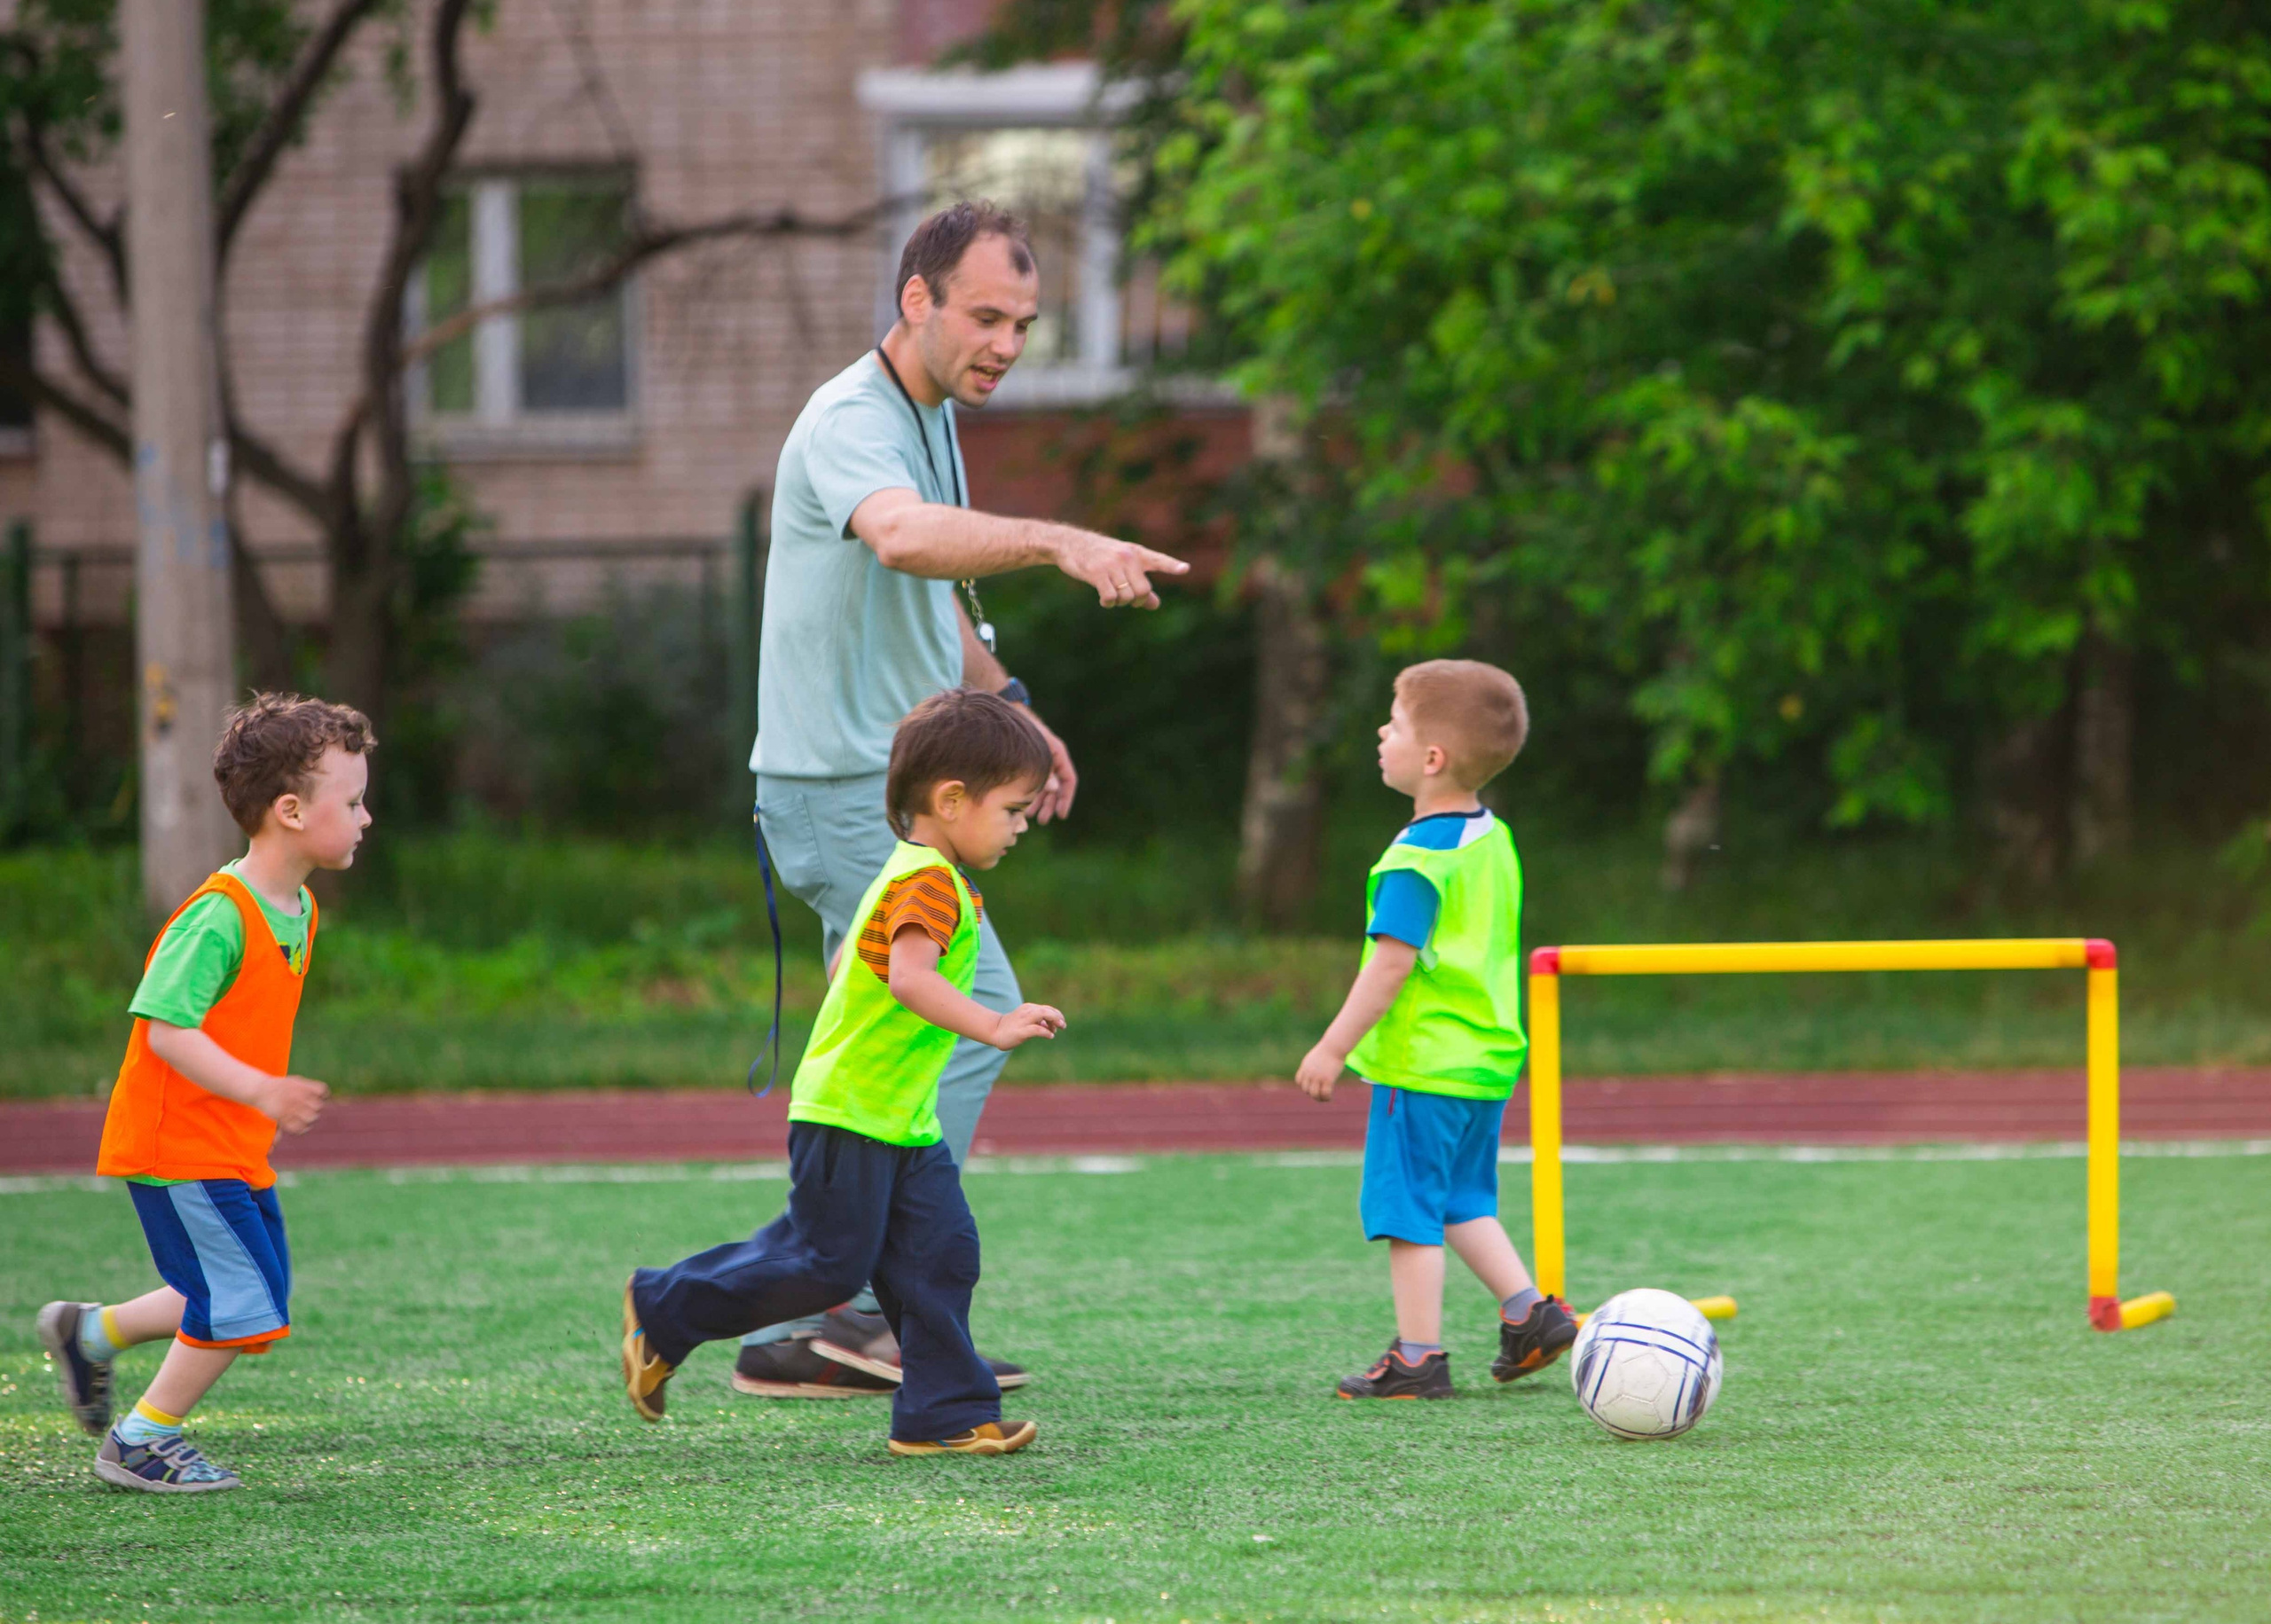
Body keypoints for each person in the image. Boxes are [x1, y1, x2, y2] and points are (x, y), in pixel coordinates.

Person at [734, 199, 1187, 1397]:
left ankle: (815, 1315)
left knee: (866, 1051)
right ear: (916, 299)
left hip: (874, 786)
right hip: (848, 796)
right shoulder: (850, 419)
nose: (1007, 341)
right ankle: (861, 1299)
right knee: (972, 1008)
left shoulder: (927, 414)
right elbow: (901, 540)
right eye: (986, 314)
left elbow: (932, 603)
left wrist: (1014, 707)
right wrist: (1056, 540)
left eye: (1026, 322)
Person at [625, 689, 1063, 1455]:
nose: (1023, 826)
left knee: (941, 1253)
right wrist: (993, 1022)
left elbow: (851, 963)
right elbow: (909, 979)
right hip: (850, 1114)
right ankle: (663, 1306)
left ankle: (946, 1413)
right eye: (1015, 810)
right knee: (827, 1265)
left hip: (899, 1120)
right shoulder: (927, 881)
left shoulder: (921, 874)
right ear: (952, 800)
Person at [35, 694, 373, 1490]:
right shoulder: (217, 917)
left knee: (249, 1295)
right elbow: (164, 1028)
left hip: (226, 1145)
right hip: (177, 1146)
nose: (366, 818)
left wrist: (255, 1103)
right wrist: (262, 1088)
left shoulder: (299, 905)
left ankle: (90, 1332)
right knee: (242, 1299)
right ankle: (142, 1439)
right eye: (352, 802)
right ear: (290, 811)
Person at [1294, 660, 1579, 1400]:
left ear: (1431, 758)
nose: (1381, 732)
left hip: (1421, 1066)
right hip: (1486, 1059)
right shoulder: (1492, 838)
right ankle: (1531, 1313)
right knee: (1462, 1199)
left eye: (1394, 721)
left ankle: (1418, 1357)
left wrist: (1331, 1046)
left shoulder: (1415, 860)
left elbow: (1391, 966)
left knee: (1408, 1212)